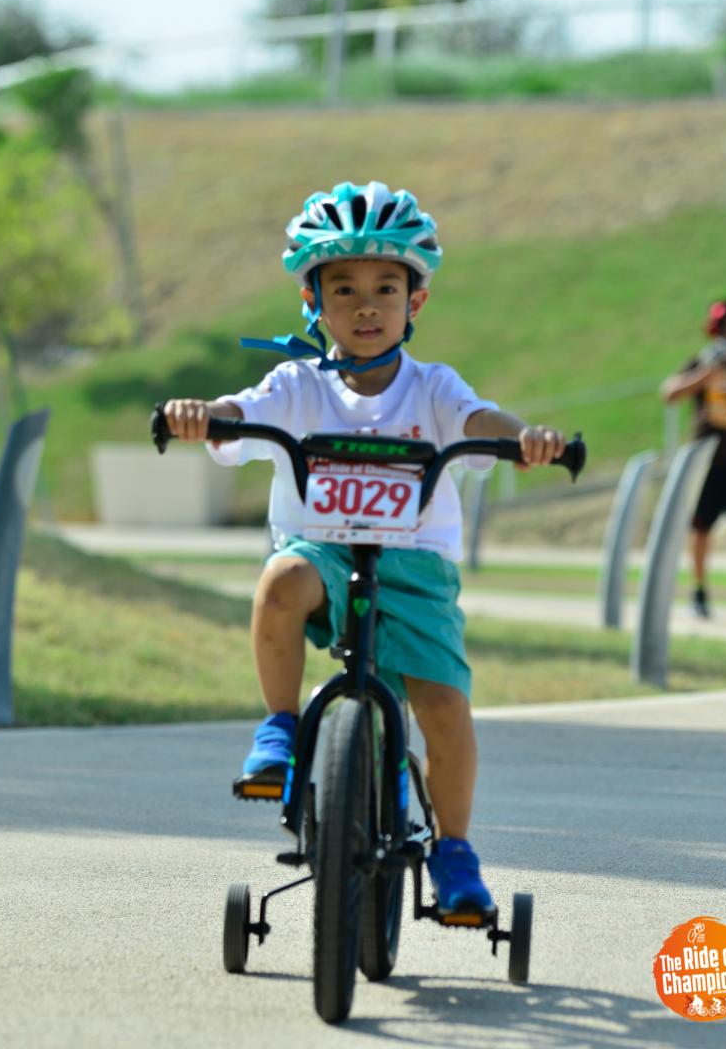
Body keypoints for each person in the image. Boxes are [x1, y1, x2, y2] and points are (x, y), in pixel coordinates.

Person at [163, 180, 566, 915]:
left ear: (416, 302)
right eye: (343, 288)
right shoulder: (297, 385)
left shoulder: (433, 389)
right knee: (280, 580)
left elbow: (480, 419)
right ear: (312, 302)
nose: (366, 305)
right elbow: (240, 411)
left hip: (414, 570)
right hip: (321, 554)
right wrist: (203, 414)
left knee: (443, 709)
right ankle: (280, 729)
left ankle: (454, 850)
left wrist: (527, 438)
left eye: (386, 287)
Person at [660, 300, 726, 618]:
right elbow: (670, 393)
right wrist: (707, 371)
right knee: (702, 526)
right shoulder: (702, 362)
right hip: (708, 461)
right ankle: (699, 590)